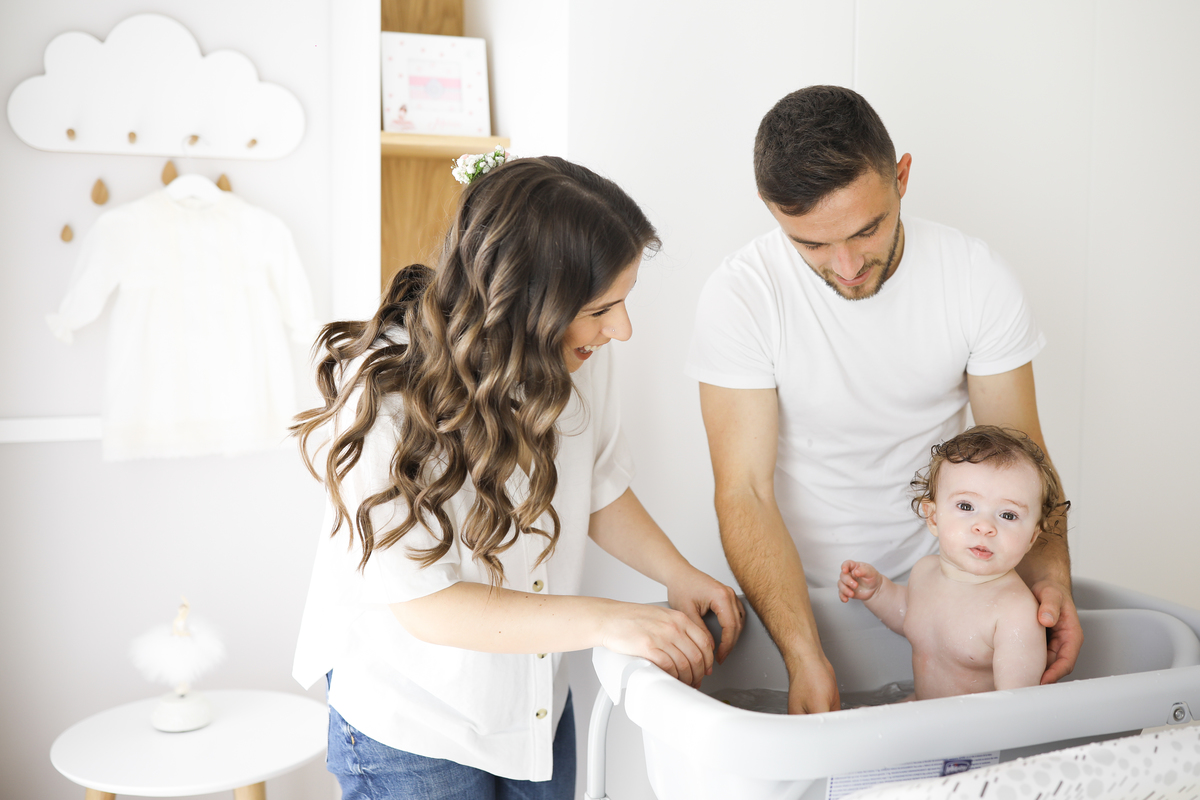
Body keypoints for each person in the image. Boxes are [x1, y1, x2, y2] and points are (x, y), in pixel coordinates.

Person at [291, 155, 744, 799]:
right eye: (601, 308)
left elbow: (598, 484)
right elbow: (429, 606)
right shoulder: (383, 398)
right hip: (414, 726)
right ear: (526, 307)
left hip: (531, 707)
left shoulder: (578, 353)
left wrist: (677, 573)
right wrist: (611, 621)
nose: (622, 329)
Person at [685, 85, 1079, 715]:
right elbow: (745, 493)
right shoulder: (742, 296)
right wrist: (803, 655)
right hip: (797, 600)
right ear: (772, 211)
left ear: (901, 178)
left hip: (958, 599)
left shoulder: (975, 279)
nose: (845, 266)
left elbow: (1025, 463)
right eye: (811, 244)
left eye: (866, 231)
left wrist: (1052, 584)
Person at [838, 426, 1065, 700]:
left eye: (1008, 515)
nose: (985, 526)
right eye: (967, 507)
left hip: (973, 735)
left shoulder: (1015, 614)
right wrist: (877, 593)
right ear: (933, 517)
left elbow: (1015, 710)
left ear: (1031, 537)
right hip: (922, 710)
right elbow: (910, 617)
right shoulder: (925, 572)